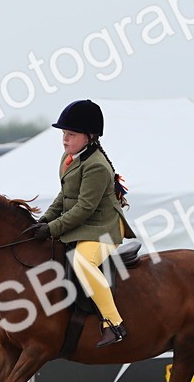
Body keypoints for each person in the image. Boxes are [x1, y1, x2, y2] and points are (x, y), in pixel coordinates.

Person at [28, 99, 135, 347]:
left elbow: (84, 209)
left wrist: (52, 229)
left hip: (103, 229)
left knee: (82, 262)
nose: (65, 140)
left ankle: (114, 323)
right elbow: (64, 198)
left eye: (71, 134)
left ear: (90, 136)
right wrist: (43, 220)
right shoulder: (69, 158)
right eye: (64, 134)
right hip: (84, 225)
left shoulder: (96, 166)